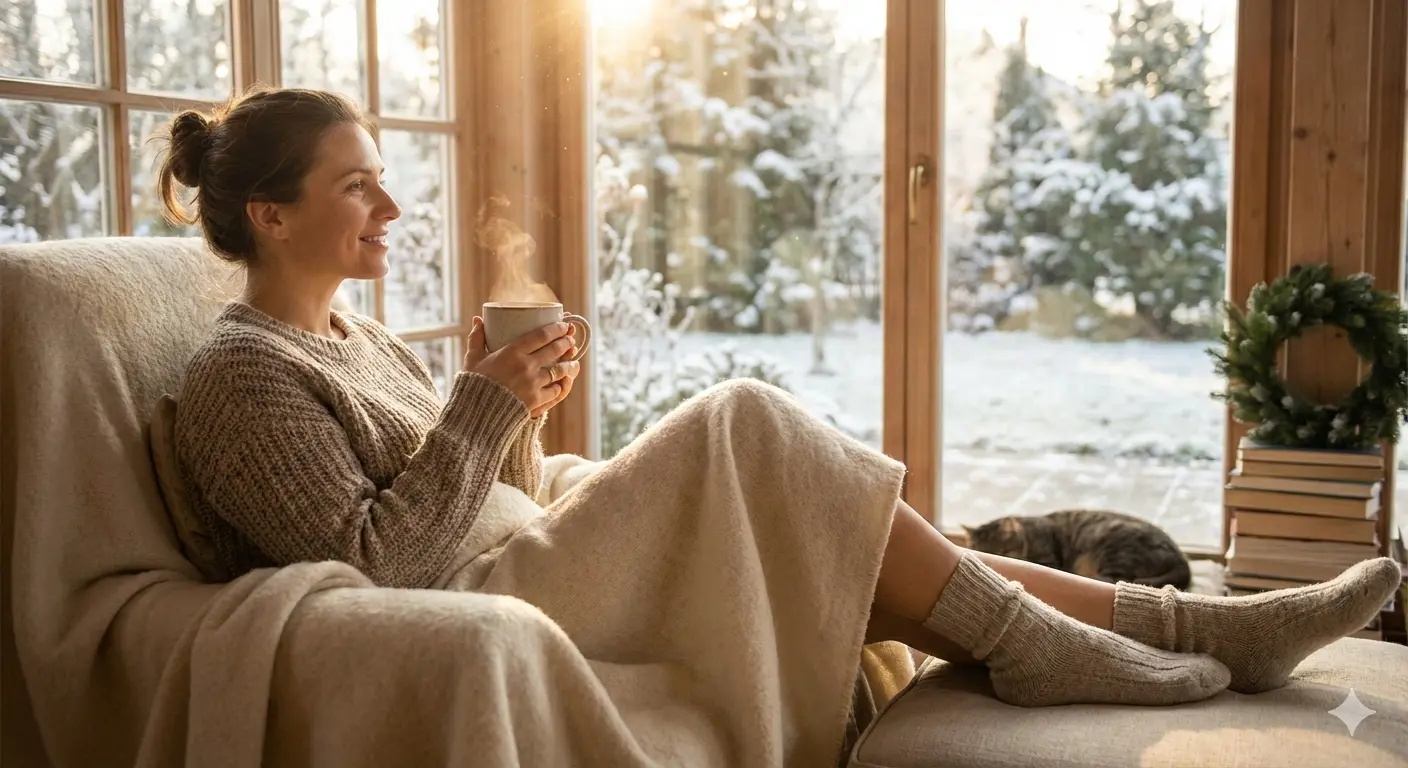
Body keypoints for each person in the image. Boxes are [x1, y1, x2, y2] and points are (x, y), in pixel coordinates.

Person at [164, 85, 1399, 749]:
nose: (388, 205)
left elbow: (485, 484)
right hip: (492, 598)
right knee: (747, 419)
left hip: (525, 545)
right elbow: (374, 569)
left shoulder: (353, 336)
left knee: (814, 510)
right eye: (355, 185)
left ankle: (1195, 623)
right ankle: (1058, 640)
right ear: (270, 216)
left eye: (384, 177)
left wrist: (519, 411)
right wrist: (486, 408)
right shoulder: (243, 379)